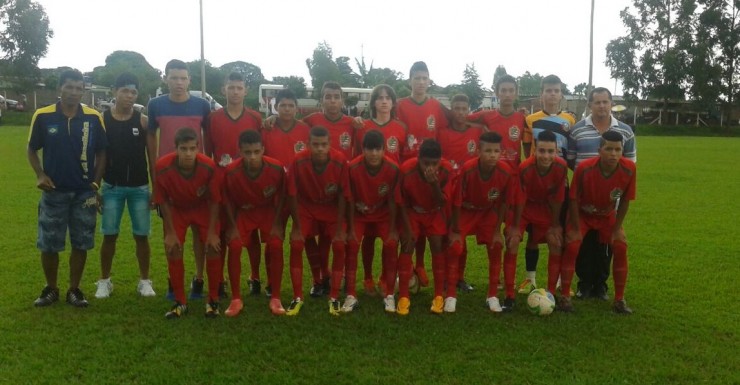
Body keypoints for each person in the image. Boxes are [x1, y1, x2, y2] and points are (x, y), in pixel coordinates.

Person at [28, 69, 107, 307]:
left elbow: (103, 151)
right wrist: (40, 174)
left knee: (81, 242)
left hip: (84, 192)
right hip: (54, 192)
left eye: (79, 88)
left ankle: (75, 289)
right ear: (59, 89)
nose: (74, 92)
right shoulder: (43, 116)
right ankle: (51, 288)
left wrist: (96, 183)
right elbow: (31, 149)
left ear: (84, 90)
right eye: (69, 87)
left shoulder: (93, 117)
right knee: (49, 242)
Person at [147, 59, 212, 299]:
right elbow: (150, 138)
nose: (178, 83)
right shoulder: (155, 105)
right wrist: (155, 174)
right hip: (169, 178)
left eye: (183, 78)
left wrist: (210, 169)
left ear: (190, 80)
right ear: (165, 78)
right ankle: (174, 282)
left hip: (199, 179)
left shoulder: (202, 105)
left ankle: (198, 278)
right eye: (174, 78)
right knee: (172, 233)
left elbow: (209, 137)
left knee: (199, 233)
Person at [568, 87, 637, 300]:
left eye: (605, 102)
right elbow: (571, 159)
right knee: (584, 246)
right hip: (585, 196)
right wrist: (589, 178)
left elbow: (630, 162)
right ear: (590, 105)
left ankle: (600, 285)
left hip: (609, 201)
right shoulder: (577, 129)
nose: (601, 106)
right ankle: (584, 284)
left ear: (610, 103)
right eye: (597, 102)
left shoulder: (625, 131)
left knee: (604, 247)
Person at [556, 131, 636, 314]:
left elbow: (624, 201)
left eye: (617, 149)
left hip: (607, 215)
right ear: (599, 150)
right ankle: (565, 297)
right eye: (609, 149)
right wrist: (575, 228)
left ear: (622, 151)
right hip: (582, 215)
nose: (613, 154)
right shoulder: (584, 168)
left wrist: (616, 229)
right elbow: (574, 199)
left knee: (621, 245)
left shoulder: (630, 168)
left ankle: (619, 300)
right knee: (573, 244)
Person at [152, 127, 223, 318]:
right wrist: (170, 232)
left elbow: (216, 200)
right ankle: (180, 302)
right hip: (177, 210)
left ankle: (213, 300)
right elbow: (163, 200)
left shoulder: (208, 166)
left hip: (202, 208)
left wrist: (212, 233)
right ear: (176, 148)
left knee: (214, 246)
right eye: (184, 149)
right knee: (173, 247)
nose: (188, 153)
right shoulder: (162, 166)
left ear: (198, 148)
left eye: (192, 148)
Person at [95, 73, 155, 299]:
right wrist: (96, 188)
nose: (129, 96)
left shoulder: (143, 120)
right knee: (109, 235)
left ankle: (144, 281)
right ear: (114, 91)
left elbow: (152, 157)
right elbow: (98, 157)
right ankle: (104, 281)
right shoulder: (102, 120)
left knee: (142, 236)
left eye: (133, 92)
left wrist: (155, 189)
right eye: (125, 91)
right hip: (112, 187)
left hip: (139, 188)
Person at [206, 72, 264, 298]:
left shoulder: (256, 118)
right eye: (231, 88)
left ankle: (255, 276)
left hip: (249, 183)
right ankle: (220, 279)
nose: (235, 92)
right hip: (222, 182)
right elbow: (209, 152)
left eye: (239, 88)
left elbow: (261, 150)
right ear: (224, 90)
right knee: (221, 232)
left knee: (252, 232)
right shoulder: (213, 118)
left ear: (246, 91)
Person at [448, 132, 519, 313]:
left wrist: (497, 229)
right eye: (488, 151)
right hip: (466, 211)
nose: (492, 155)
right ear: (478, 151)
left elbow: (504, 202)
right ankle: (450, 294)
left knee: (496, 245)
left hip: (487, 213)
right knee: (455, 245)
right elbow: (456, 201)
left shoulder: (505, 171)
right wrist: (455, 229)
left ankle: (492, 294)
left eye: (496, 151)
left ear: (501, 152)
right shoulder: (468, 169)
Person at [518, 74, 576, 294]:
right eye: (548, 90)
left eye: (556, 90)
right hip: (535, 185)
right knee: (533, 237)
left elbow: (570, 151)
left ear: (561, 94)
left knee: (557, 232)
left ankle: (561, 282)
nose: (552, 94)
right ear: (541, 94)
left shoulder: (569, 121)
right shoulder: (530, 120)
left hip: (560, 182)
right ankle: (529, 279)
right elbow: (526, 150)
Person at [396, 61, 450, 288]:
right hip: (407, 167)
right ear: (410, 81)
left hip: (429, 167)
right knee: (410, 218)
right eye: (416, 78)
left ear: (429, 81)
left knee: (426, 215)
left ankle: (420, 264)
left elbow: (457, 119)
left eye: (424, 78)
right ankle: (408, 268)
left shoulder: (436, 106)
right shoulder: (399, 105)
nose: (420, 82)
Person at [285, 126, 349, 316]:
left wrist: (339, 229)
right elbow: (292, 194)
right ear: (308, 144)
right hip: (307, 207)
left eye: (323, 145)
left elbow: (343, 196)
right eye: (315, 145)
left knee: (338, 244)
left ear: (330, 144)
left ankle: (334, 297)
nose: (320, 149)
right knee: (297, 244)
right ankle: (297, 297)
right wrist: (296, 225)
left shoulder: (340, 161)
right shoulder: (298, 160)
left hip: (330, 208)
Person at [222, 130, 287, 316]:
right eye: (247, 152)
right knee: (234, 246)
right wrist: (232, 226)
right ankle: (235, 299)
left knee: (275, 244)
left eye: (257, 152)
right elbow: (226, 199)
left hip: (267, 211)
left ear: (263, 149)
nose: (252, 157)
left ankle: (275, 297)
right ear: (240, 151)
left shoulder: (276, 168)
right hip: (245, 212)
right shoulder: (231, 171)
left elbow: (282, 194)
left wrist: (277, 222)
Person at [352, 84, 407, 295]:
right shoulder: (362, 126)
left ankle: (385, 278)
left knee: (389, 239)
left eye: (388, 98)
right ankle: (367, 278)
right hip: (366, 193)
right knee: (368, 238)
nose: (384, 101)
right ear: (373, 102)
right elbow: (357, 159)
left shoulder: (401, 127)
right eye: (379, 98)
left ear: (393, 103)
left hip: (391, 194)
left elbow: (402, 158)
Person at [345, 130, 401, 313]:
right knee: (353, 243)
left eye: (378, 149)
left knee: (391, 243)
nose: (374, 154)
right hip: (360, 214)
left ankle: (389, 292)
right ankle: (353, 292)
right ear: (363, 149)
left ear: (384, 149)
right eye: (370, 149)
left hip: (382, 214)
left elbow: (393, 200)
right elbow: (349, 199)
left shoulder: (393, 168)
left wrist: (393, 228)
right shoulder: (352, 168)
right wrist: (352, 226)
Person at [397, 139, 454, 315]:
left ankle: (438, 295)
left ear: (440, 160)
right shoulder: (406, 170)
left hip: (434, 211)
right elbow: (401, 202)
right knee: (407, 244)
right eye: (425, 163)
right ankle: (404, 296)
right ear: (418, 158)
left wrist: (434, 183)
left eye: (434, 163)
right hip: (412, 212)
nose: (429, 167)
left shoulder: (446, 170)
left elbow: (442, 201)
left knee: (437, 245)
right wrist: (407, 229)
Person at [511, 130, 568, 308]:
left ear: (556, 151)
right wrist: (515, 227)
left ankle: (551, 291)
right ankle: (509, 294)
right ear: (535, 149)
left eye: (550, 151)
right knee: (512, 240)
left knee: (556, 241)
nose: (546, 155)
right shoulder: (525, 167)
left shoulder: (561, 166)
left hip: (545, 207)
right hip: (526, 207)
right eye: (542, 151)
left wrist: (555, 224)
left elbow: (559, 197)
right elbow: (520, 198)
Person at [438, 93, 485, 293]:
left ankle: (459, 278)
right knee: (447, 237)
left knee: (461, 236)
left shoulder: (477, 132)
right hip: (447, 192)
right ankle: (448, 278)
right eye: (456, 108)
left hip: (468, 193)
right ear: (451, 109)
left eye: (463, 109)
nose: (459, 112)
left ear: (468, 111)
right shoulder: (442, 133)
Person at [467, 75, 526, 170]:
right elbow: (460, 119)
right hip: (492, 172)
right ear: (497, 93)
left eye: (511, 90)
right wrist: (479, 127)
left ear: (516, 93)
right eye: (503, 90)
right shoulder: (486, 115)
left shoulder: (522, 118)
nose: (507, 94)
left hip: (513, 173)